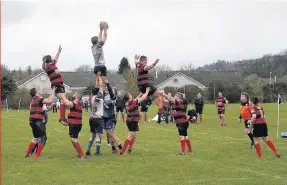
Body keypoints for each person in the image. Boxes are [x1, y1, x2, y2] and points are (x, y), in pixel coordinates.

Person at [24, 87, 55, 158]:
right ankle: (36, 155)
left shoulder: (33, 100)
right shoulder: (38, 98)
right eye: (37, 91)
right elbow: (49, 101)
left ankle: (27, 154)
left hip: (31, 121)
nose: (39, 92)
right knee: (43, 138)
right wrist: (53, 91)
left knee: (36, 138)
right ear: (36, 92)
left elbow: (46, 101)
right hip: (38, 121)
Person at [42, 45, 68, 126]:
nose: (52, 59)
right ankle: (62, 118)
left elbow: (56, 58)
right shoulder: (48, 67)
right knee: (63, 100)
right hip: (56, 85)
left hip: (61, 84)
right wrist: (43, 61)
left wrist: (58, 52)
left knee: (64, 101)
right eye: (49, 59)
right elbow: (43, 67)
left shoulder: (53, 64)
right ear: (47, 61)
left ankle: (63, 118)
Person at [120, 87, 150, 155]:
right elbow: (142, 98)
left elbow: (135, 99)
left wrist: (140, 94)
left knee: (134, 135)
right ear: (129, 97)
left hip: (130, 120)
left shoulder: (127, 103)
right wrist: (147, 92)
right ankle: (123, 150)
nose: (131, 95)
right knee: (130, 136)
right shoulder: (133, 102)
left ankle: (130, 148)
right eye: (130, 94)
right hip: (133, 121)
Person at [62, 92, 85, 159]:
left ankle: (82, 155)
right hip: (77, 124)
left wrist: (63, 96)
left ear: (77, 96)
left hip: (74, 124)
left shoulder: (75, 103)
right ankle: (80, 154)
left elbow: (67, 103)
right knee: (75, 139)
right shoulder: (79, 103)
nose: (73, 94)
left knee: (73, 139)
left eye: (74, 94)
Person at [85, 76, 105, 156]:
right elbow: (101, 86)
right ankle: (97, 152)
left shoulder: (92, 97)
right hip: (98, 118)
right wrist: (100, 77)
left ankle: (88, 150)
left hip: (92, 118)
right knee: (99, 135)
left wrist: (97, 77)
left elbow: (97, 87)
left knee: (93, 134)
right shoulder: (99, 96)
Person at [102, 80, 123, 153]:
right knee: (108, 134)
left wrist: (108, 84)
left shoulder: (113, 98)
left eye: (113, 90)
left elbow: (110, 91)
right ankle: (114, 149)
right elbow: (102, 89)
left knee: (111, 133)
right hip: (104, 118)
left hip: (110, 118)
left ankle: (121, 148)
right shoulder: (104, 97)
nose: (110, 90)